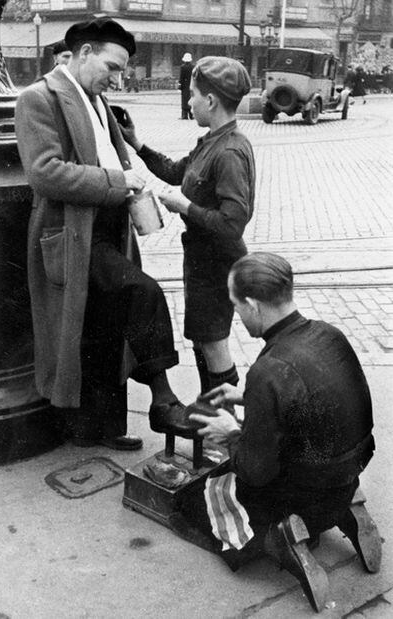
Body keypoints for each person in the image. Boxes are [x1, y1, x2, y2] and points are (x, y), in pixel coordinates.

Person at [15, 17, 194, 452]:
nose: (117, 77)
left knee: (104, 328)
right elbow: (45, 173)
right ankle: (163, 398)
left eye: (121, 70)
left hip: (109, 229)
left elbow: (112, 154)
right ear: (84, 52)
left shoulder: (97, 99)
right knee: (141, 293)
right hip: (75, 234)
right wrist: (118, 182)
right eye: (112, 67)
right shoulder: (39, 98)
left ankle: (99, 428)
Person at [172, 252, 381, 612]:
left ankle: (281, 538)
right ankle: (346, 506)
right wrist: (250, 396)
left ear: (253, 305)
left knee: (195, 500)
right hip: (349, 469)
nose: (237, 315)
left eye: (237, 306)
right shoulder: (329, 333)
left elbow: (256, 471)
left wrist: (232, 432)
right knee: (312, 459)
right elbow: (313, 397)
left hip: (307, 489)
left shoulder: (269, 369)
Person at [120, 56, 255, 395]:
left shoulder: (229, 152)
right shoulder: (211, 141)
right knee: (203, 343)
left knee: (214, 346)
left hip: (216, 264)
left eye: (192, 94)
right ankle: (213, 415)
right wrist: (136, 143)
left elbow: (232, 224)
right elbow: (175, 171)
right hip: (202, 261)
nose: (189, 101)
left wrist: (185, 207)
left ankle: (224, 433)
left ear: (211, 101)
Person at [178, 52, 194, 119]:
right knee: (190, 99)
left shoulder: (183, 67)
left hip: (185, 85)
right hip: (192, 85)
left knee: (184, 100)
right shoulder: (193, 67)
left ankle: (184, 115)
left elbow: (181, 78)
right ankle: (191, 114)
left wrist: (180, 86)